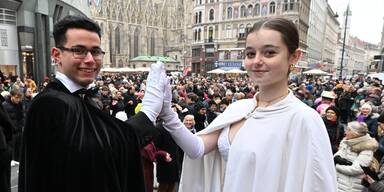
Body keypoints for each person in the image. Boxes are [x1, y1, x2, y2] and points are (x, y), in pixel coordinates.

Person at [159, 18, 337, 191]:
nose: (257, 61)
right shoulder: (239, 108)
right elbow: (197, 149)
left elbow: (316, 184)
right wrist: (167, 114)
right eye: (251, 54)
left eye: (269, 53)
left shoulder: (304, 120)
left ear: (294, 56)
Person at [18, 15, 167, 192]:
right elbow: (99, 153)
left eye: (95, 51)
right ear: (56, 55)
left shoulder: (78, 98)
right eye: (79, 50)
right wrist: (147, 113)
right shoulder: (50, 105)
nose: (90, 59)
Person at [334, 121, 378, 192]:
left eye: (348, 130)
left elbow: (357, 169)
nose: (345, 132)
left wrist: (337, 166)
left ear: (355, 133)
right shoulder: (347, 141)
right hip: (340, 182)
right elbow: (335, 156)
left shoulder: (367, 147)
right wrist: (338, 159)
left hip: (351, 186)